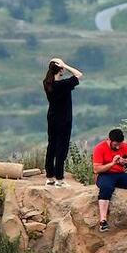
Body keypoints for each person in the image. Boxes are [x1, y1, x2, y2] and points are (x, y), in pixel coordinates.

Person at [42, 57, 83, 185]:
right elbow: (79, 75)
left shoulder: (47, 83)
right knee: (62, 149)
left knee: (52, 146)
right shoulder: (63, 85)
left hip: (52, 118)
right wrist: (66, 65)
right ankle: (59, 179)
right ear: (60, 70)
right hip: (64, 120)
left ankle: (50, 177)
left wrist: (58, 64)